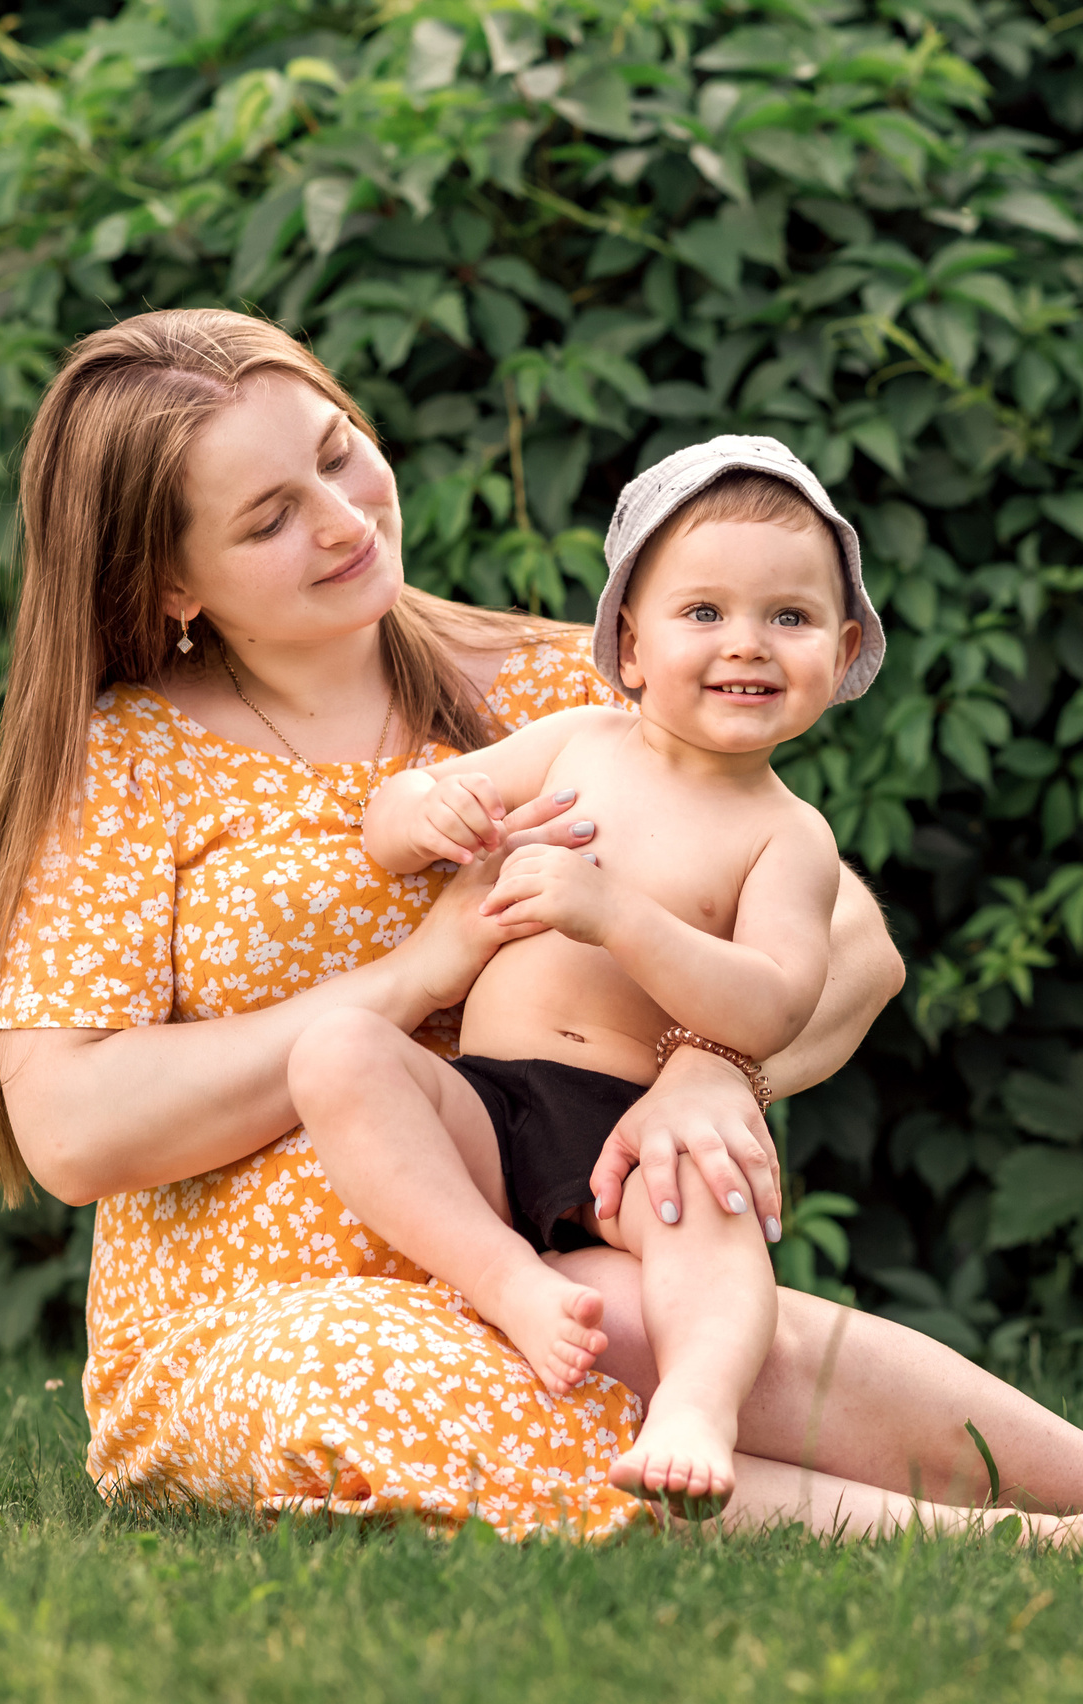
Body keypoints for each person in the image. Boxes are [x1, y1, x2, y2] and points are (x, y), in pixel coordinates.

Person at [0, 305, 1083, 1554]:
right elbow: (74, 1130)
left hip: (566, 1211)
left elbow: (849, 938)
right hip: (260, 1314)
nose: (351, 519)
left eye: (345, 458)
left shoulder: (560, 680)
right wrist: (417, 971)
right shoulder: (125, 766)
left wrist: (703, 1067)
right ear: (168, 587)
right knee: (410, 1369)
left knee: (726, 1340)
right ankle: (1057, 1554)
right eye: (275, 517)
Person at [295, 437, 881, 1517]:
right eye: (702, 614)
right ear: (627, 646)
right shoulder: (574, 741)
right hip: (488, 1099)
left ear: (843, 652)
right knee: (338, 1051)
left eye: (790, 619)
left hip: (631, 1131)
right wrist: (428, 813)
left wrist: (618, 916)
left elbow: (769, 1004)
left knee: (711, 1213)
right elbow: (384, 830)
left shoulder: (785, 838)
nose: (746, 645)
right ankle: (506, 1280)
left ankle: (699, 1406)